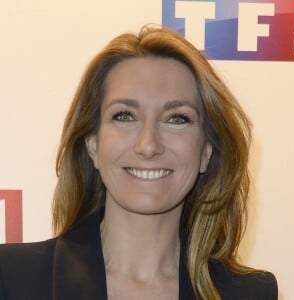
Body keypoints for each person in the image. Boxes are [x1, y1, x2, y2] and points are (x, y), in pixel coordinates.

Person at [0, 26, 277, 300]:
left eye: (177, 118)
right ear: (93, 144)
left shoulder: (249, 293)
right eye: (125, 116)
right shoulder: (12, 278)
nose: (148, 145)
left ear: (206, 151)